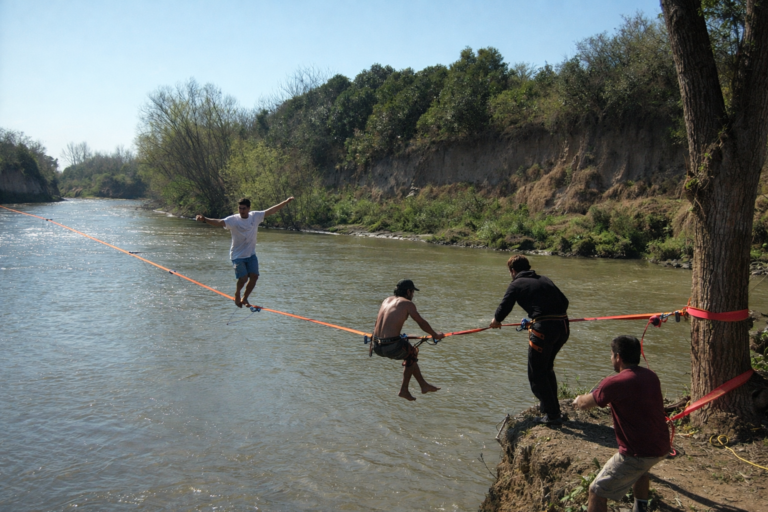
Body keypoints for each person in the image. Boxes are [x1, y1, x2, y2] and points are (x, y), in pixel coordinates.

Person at [573, 335, 670, 512]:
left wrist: (578, 399)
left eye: (611, 355)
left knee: (596, 490)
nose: (611, 358)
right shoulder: (651, 376)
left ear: (618, 357)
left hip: (637, 453)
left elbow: (585, 403)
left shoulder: (614, 382)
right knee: (641, 472)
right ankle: (640, 509)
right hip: (661, 447)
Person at [490, 255, 570, 425]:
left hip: (543, 331)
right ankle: (550, 408)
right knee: (547, 368)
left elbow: (504, 307)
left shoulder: (516, 284)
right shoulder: (545, 279)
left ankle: (553, 415)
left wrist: (496, 321)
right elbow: (565, 301)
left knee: (537, 374)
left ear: (513, 271)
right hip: (563, 328)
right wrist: (540, 317)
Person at [196, 197, 293, 307]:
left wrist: (285, 202)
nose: (241, 211)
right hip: (237, 255)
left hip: (251, 254)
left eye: (244, 208)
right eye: (240, 208)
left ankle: (245, 298)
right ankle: (237, 294)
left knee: (254, 277)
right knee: (243, 278)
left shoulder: (255, 216)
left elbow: (271, 210)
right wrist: (205, 219)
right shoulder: (234, 220)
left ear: (249, 209)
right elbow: (219, 222)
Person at [371, 279, 445, 401]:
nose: (413, 295)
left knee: (410, 351)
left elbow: (378, 324)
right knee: (412, 353)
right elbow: (421, 322)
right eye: (413, 292)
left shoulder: (386, 300)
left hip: (377, 346)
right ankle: (404, 389)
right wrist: (435, 334)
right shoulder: (407, 304)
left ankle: (423, 385)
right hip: (391, 347)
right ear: (408, 291)